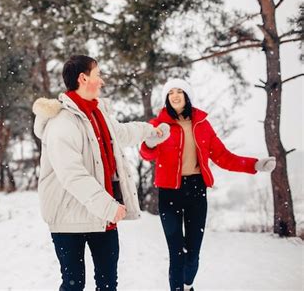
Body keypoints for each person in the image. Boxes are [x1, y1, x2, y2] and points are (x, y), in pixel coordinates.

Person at [32, 55, 169, 291]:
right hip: (69, 220)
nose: (102, 81)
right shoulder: (62, 124)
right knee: (74, 285)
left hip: (101, 217)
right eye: (98, 75)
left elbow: (122, 133)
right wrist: (108, 206)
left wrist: (151, 132)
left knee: (108, 284)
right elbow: (72, 175)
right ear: (83, 79)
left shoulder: (98, 114)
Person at [140, 79, 276, 291]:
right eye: (170, 93)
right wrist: (150, 142)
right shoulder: (158, 125)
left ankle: (187, 285)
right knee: (176, 253)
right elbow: (146, 153)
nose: (175, 96)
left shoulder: (202, 125)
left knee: (192, 253)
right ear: (166, 98)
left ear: (187, 96)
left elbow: (223, 156)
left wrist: (255, 164)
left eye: (179, 92)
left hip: (196, 190)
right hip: (169, 193)